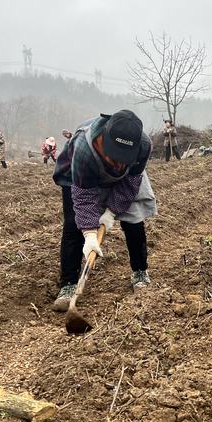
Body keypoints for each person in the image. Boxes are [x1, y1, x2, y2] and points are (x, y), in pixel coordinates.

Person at [51, 109, 157, 311]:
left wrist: (110, 213)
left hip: (125, 181)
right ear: (103, 141)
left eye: (123, 159)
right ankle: (69, 284)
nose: (118, 164)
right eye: (114, 156)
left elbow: (130, 184)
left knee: (134, 221)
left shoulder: (143, 146)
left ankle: (140, 272)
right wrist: (90, 234)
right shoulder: (84, 147)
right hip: (80, 176)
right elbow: (83, 197)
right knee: (74, 225)